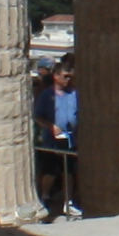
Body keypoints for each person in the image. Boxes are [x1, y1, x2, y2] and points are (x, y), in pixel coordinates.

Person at [35, 57, 83, 219]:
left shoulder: (74, 93)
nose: (68, 80)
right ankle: (45, 196)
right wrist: (50, 126)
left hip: (70, 137)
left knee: (69, 170)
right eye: (65, 76)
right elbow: (38, 116)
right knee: (51, 171)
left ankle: (68, 202)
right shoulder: (47, 95)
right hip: (52, 138)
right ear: (56, 76)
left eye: (70, 77)